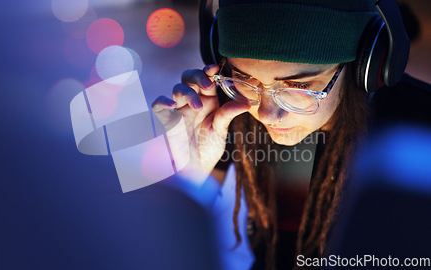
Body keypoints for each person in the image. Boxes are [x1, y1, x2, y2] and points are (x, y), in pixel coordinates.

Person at [152, 0, 431, 269]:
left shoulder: (419, 130)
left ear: (365, 66)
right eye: (246, 80)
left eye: (297, 87)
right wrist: (184, 174)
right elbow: (125, 238)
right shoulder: (225, 109)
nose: (266, 114)